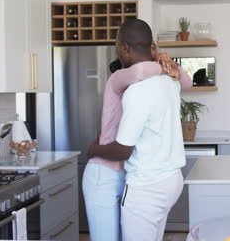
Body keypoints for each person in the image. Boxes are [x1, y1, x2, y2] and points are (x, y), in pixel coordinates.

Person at [82, 33, 192, 240]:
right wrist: (164, 63)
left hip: (130, 171)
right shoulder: (121, 79)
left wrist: (167, 64)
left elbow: (187, 82)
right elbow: (141, 69)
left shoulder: (155, 85)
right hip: (105, 171)